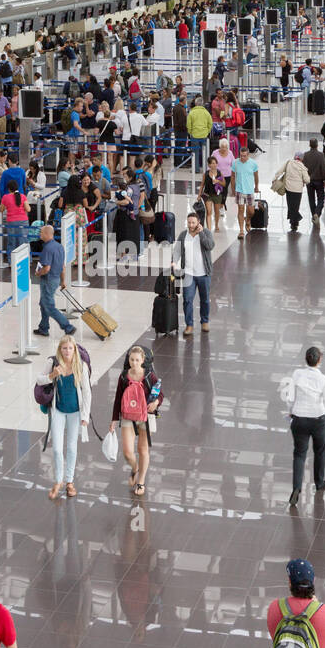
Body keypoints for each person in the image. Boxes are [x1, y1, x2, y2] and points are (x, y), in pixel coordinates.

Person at [39, 335, 92, 500]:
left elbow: (87, 392)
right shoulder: (53, 363)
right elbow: (39, 380)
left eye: (70, 348)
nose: (67, 351)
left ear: (74, 349)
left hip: (75, 412)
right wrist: (52, 375)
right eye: (64, 348)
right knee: (56, 448)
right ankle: (58, 480)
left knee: (71, 447)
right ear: (60, 349)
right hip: (59, 411)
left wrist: (85, 415)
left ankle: (69, 481)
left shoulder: (80, 366)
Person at [109, 345, 164, 498]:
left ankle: (141, 481)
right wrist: (114, 419)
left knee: (143, 450)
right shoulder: (123, 376)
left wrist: (155, 403)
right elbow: (118, 398)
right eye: (131, 360)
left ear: (143, 360)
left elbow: (161, 395)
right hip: (127, 415)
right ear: (129, 360)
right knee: (127, 452)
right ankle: (135, 468)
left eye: (137, 360)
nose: (134, 363)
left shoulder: (149, 376)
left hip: (145, 416)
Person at [287, 347, 325, 506]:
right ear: (319, 360)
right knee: (320, 452)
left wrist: (291, 412)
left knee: (299, 454)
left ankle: (296, 488)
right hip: (318, 420)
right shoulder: (324, 380)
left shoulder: (296, 374)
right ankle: (319, 482)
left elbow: (290, 396)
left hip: (299, 419)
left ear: (306, 359)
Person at [173, 210, 214, 336]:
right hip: (189, 273)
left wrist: (201, 233)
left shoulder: (206, 232)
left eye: (193, 222)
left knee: (205, 300)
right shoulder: (183, 234)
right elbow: (177, 250)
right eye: (189, 222)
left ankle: (205, 321)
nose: (190, 225)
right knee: (187, 300)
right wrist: (173, 262)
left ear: (198, 222)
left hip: (203, 274)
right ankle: (189, 324)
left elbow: (210, 246)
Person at [33, 224, 74, 338]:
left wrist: (38, 273)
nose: (40, 234)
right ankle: (43, 328)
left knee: (49, 306)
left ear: (47, 234)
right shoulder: (59, 247)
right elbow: (62, 266)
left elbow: (46, 269)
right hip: (56, 279)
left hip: (48, 280)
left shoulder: (47, 248)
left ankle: (67, 326)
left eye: (41, 232)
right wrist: (62, 281)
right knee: (43, 303)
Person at [231, 142, 261, 238]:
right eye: (241, 155)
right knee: (240, 209)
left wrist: (256, 186)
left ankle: (247, 220)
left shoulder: (253, 163)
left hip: (249, 191)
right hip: (239, 190)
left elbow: (256, 176)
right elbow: (232, 176)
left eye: (244, 156)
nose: (242, 158)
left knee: (251, 211)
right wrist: (233, 189)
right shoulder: (235, 163)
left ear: (248, 155)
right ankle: (241, 231)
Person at [302, 138, 325, 228]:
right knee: (321, 198)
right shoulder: (321, 155)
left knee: (311, 199)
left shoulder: (305, 155)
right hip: (319, 180)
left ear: (309, 145)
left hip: (309, 181)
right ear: (317, 145)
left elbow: (303, 168)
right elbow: (324, 169)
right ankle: (317, 214)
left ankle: (314, 214)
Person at [186, 96, 212, 172]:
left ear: (196, 103)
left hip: (195, 135)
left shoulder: (192, 112)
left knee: (195, 153)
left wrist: (191, 132)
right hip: (204, 135)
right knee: (205, 152)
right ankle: (205, 168)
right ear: (202, 104)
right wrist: (207, 132)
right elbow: (210, 123)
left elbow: (188, 124)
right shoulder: (206, 113)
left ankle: (196, 169)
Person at [200, 155, 226, 231]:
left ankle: (216, 225)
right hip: (207, 195)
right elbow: (202, 185)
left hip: (217, 195)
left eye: (215, 163)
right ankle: (209, 229)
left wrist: (218, 181)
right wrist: (199, 195)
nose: (214, 165)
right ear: (209, 165)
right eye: (212, 163)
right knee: (209, 211)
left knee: (217, 211)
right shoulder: (206, 174)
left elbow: (224, 184)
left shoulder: (219, 173)